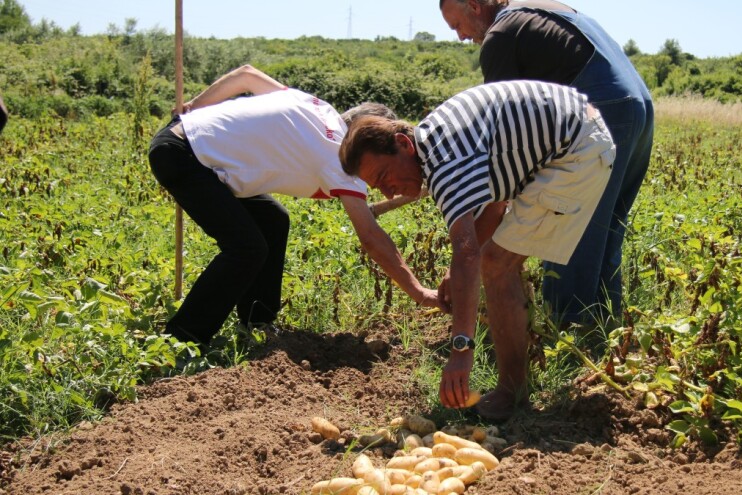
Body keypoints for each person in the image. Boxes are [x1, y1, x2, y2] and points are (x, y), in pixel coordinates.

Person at [339, 80, 616, 419]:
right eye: (377, 186)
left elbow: (468, 251)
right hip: (575, 133)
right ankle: (514, 387)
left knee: (495, 264)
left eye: (384, 175)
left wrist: (460, 350)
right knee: (495, 261)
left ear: (402, 144)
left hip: (577, 149)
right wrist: (456, 274)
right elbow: (497, 203)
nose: (388, 192)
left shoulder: (443, 162)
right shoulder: (438, 140)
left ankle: (511, 394)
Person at [147, 65, 443, 349]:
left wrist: (193, 107)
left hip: (183, 140)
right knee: (246, 248)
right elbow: (371, 237)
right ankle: (181, 340)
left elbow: (246, 75)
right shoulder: (338, 155)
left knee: (274, 220)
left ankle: (257, 322)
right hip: (185, 157)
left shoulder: (314, 105)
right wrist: (418, 292)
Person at [439, 0, 654, 330]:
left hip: (605, 109)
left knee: (567, 227)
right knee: (605, 230)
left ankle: (568, 336)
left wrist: (470, 256)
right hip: (638, 106)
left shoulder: (501, 36)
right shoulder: (542, 9)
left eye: (457, 26)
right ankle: (605, 334)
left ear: (474, 6)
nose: (460, 37)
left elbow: (502, 145)